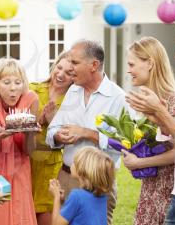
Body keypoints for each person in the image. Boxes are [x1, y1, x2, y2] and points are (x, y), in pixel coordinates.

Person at [45, 39, 128, 224]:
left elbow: (125, 144)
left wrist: (87, 133)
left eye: (75, 63)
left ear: (94, 65)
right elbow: (52, 131)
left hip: (98, 184)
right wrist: (59, 136)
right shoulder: (73, 91)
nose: (70, 68)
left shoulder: (118, 98)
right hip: (66, 177)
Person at [126, 15, 175, 225]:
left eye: (132, 64)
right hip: (150, 189)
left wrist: (140, 162)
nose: (129, 70)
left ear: (150, 63)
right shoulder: (146, 102)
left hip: (170, 192)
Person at [0, 58, 38, 225]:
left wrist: (30, 134)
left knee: (19, 215)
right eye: (6, 82)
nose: (13, 88)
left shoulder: (31, 99)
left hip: (19, 168)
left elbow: (29, 151)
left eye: (18, 82)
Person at [29, 50, 73, 225]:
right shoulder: (32, 89)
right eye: (59, 67)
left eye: (69, 72)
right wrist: (37, 121)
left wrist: (52, 120)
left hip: (51, 167)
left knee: (46, 216)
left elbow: (70, 136)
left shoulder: (73, 99)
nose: (61, 74)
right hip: (27, 163)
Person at [49, 146, 115, 225]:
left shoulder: (77, 196)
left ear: (82, 171)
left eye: (74, 162)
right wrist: (61, 200)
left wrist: (56, 197)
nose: (71, 164)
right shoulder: (102, 196)